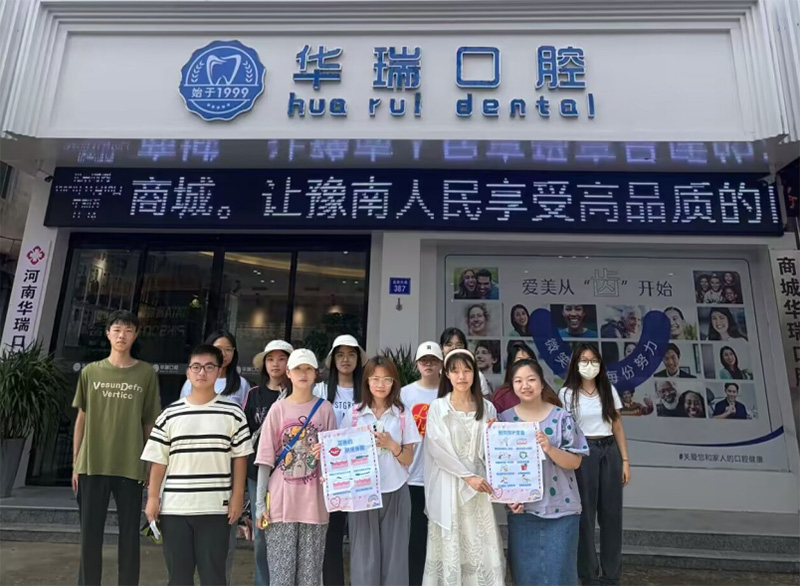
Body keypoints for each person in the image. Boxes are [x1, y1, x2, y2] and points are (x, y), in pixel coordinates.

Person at [142, 344, 252, 586]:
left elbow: (240, 458)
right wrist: (152, 498)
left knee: (213, 576)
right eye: (196, 367)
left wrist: (237, 497)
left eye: (209, 367)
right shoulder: (170, 414)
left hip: (216, 508)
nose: (202, 372)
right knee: (178, 577)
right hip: (174, 508)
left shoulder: (233, 412)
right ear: (188, 372)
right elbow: (158, 460)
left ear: (219, 371)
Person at [72, 310, 161, 586]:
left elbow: (149, 422)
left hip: (130, 465)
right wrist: (76, 463)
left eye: (128, 330)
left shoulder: (146, 373)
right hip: (92, 464)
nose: (122, 335)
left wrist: (150, 465)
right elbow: (82, 418)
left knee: (129, 537)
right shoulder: (90, 372)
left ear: (136, 335)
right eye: (117, 329)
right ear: (108, 333)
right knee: (89, 537)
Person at [498, 359, 588, 586]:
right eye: (518, 381)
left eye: (531, 379)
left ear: (541, 382)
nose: (525, 385)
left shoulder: (561, 417)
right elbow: (501, 466)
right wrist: (508, 499)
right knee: (526, 576)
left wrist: (550, 448)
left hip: (562, 510)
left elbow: (575, 461)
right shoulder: (504, 420)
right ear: (512, 385)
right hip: (523, 512)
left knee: (560, 576)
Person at [423, 349, 505, 585]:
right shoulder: (438, 407)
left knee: (479, 544)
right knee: (451, 543)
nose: (461, 376)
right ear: (446, 374)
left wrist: (496, 432)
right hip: (450, 483)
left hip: (480, 485)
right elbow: (438, 449)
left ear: (475, 373)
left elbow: (493, 451)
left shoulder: (487, 408)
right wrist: (468, 477)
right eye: (455, 371)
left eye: (467, 370)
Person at [255, 349, 337, 586]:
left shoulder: (325, 409)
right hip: (281, 504)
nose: (303, 373)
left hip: (315, 504)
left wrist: (326, 454)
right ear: (288, 373)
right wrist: (260, 504)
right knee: (281, 577)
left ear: (315, 374)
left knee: (310, 578)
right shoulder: (278, 409)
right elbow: (265, 459)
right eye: (298, 368)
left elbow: (335, 457)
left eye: (308, 368)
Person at [178, 330, 250, 584]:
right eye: (219, 349)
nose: (224, 354)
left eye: (229, 349)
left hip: (226, 463)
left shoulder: (240, 385)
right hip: (194, 464)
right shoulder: (191, 382)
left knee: (221, 541)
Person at [343, 356, 422, 586]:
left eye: (387, 379)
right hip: (362, 494)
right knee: (363, 558)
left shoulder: (403, 414)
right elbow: (342, 455)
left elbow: (408, 458)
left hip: (395, 490)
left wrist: (392, 445)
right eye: (375, 378)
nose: (381, 384)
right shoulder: (354, 414)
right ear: (366, 381)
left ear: (394, 382)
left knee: (395, 559)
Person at [559, 344, 630, 586]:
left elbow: (617, 425)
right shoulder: (566, 393)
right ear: (575, 364)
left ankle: (611, 575)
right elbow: (564, 429)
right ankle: (588, 575)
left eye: (593, 360)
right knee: (585, 515)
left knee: (612, 515)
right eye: (584, 360)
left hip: (609, 450)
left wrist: (625, 461)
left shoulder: (608, 389)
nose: (589, 365)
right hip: (583, 453)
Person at [312, 334, 367, 586]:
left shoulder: (367, 390)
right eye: (340, 355)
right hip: (330, 474)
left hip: (361, 473)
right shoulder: (321, 390)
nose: (346, 359)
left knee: (361, 537)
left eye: (351, 354)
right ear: (332, 360)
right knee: (331, 537)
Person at [244, 340, 294, 586]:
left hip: (291, 474)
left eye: (282, 359)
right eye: (271, 359)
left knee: (289, 531)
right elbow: (245, 434)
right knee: (262, 532)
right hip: (259, 473)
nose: (276, 364)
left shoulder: (298, 395)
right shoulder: (254, 395)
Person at [400, 342, 444, 586]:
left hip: (443, 476)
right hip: (413, 476)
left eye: (433, 360)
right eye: (424, 360)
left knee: (441, 538)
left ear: (441, 364)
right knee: (415, 537)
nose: (428, 364)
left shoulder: (449, 392)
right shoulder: (405, 394)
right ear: (417, 364)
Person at [440, 327, 492, 396]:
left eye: (458, 345)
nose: (454, 348)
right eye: (449, 345)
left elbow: (485, 400)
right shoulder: (437, 374)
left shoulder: (477, 375)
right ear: (441, 348)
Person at [490, 341, 537, 413]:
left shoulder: (545, 391)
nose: (525, 365)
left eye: (529, 360)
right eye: (520, 361)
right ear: (511, 365)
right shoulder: (502, 395)